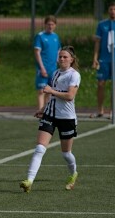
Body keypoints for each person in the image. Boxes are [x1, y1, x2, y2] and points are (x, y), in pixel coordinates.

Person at [20, 46, 80, 193]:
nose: (62, 59)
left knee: (66, 153)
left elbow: (70, 96)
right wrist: (43, 109)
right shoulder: (55, 73)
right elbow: (52, 96)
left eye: (65, 57)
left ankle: (73, 174)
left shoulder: (74, 75)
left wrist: (51, 90)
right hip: (50, 115)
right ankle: (29, 181)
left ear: (71, 60)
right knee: (40, 148)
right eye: (60, 57)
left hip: (66, 118)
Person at [91, 2, 115, 118]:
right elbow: (97, 43)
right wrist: (95, 58)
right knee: (100, 83)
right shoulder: (102, 24)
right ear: (108, 11)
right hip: (104, 59)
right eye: (110, 9)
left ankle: (112, 110)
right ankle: (100, 109)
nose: (112, 11)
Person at [33, 15, 61, 117]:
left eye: (52, 24)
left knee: (50, 91)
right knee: (41, 91)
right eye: (48, 24)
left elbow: (58, 51)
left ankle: (47, 110)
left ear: (55, 25)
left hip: (53, 69)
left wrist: (59, 63)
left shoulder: (55, 37)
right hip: (43, 68)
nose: (50, 26)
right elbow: (37, 52)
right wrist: (42, 67)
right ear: (45, 25)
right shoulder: (40, 36)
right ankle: (40, 111)